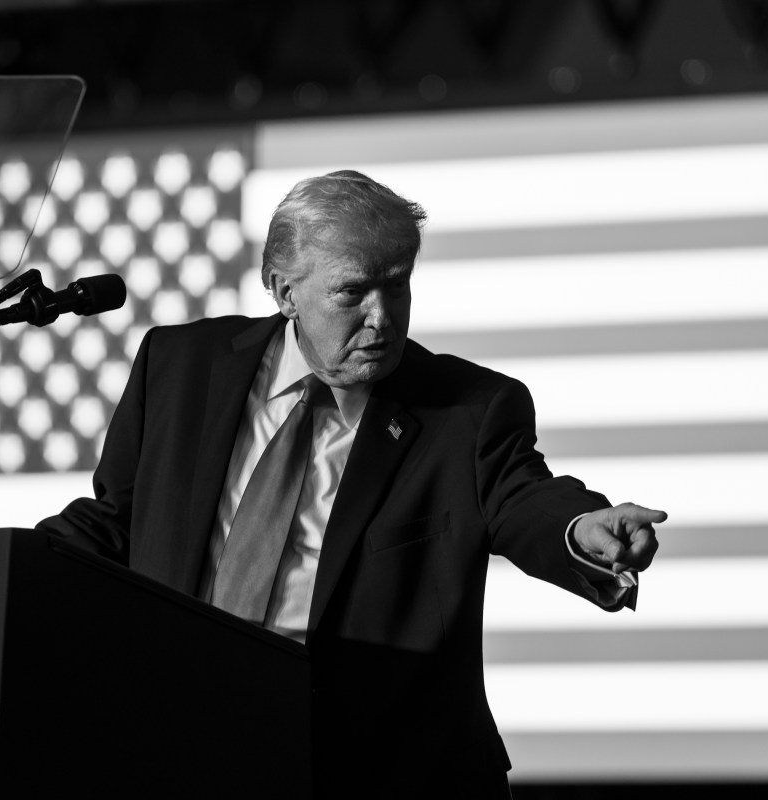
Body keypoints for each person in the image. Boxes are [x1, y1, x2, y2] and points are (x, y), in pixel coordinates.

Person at [38, 170, 666, 798]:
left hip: (383, 772)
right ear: (285, 291)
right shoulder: (178, 366)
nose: (382, 316)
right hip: (187, 746)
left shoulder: (466, 410)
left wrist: (580, 530)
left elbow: (523, 497)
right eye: (353, 292)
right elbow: (117, 520)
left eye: (398, 287)